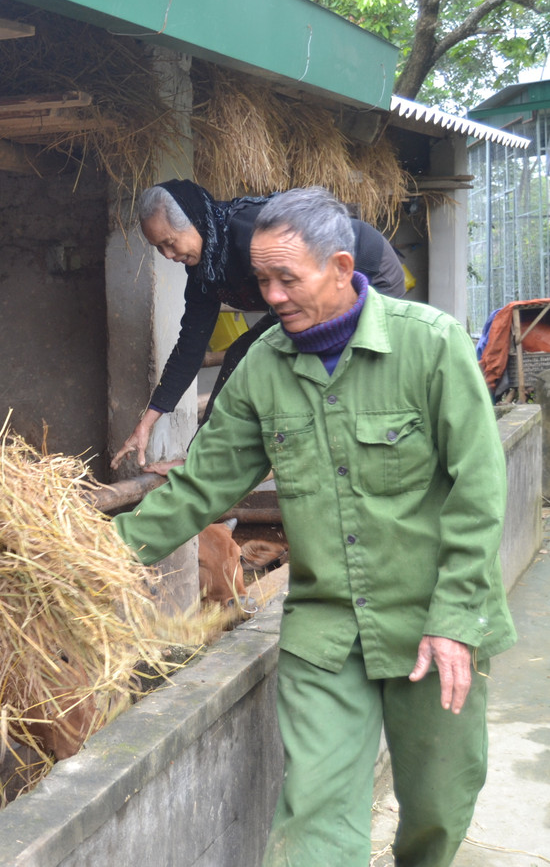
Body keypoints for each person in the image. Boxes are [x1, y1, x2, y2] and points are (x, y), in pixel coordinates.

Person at [113, 186, 516, 867]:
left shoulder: (431, 346)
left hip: (432, 620)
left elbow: (478, 492)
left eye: (286, 279)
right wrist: (96, 553)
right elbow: (200, 485)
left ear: (339, 267)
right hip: (328, 634)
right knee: (315, 823)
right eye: (261, 280)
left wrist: (456, 618)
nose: (269, 296)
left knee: (437, 811)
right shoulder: (263, 368)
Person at [111, 179, 407, 471]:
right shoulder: (204, 271)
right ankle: (203, 460)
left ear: (193, 221)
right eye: (159, 248)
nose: (167, 255)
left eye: (169, 242)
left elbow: (301, 287)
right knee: (244, 354)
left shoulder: (248, 233)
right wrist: (146, 423)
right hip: (304, 296)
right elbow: (190, 346)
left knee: (306, 361)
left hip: (364, 267)